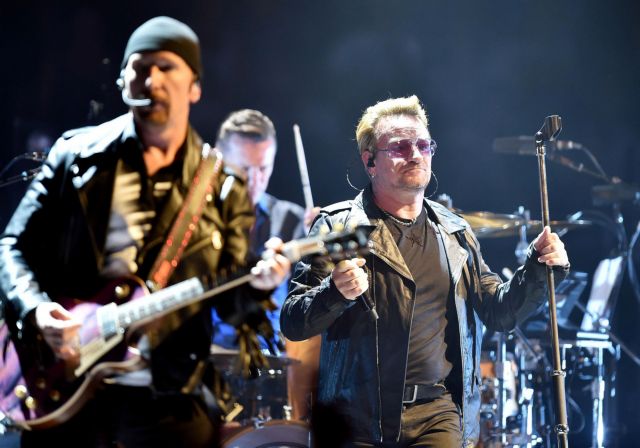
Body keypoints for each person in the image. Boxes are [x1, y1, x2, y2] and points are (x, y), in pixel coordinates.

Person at [0, 16, 289, 448]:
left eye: (167, 67)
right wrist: (36, 310)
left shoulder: (222, 187)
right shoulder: (73, 155)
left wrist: (260, 285)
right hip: (68, 392)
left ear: (194, 87)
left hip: (168, 402)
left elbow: (232, 306)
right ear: (122, 81)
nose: (152, 79)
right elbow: (12, 246)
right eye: (140, 67)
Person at [280, 95, 570, 447]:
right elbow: (293, 321)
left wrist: (538, 267)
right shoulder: (337, 227)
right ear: (370, 161)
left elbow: (499, 312)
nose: (415, 155)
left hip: (437, 414)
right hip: (356, 417)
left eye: (423, 145)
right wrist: (334, 292)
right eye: (400, 147)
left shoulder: (455, 232)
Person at [213, 109, 321, 421]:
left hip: (268, 372)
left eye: (264, 168)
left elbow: (309, 307)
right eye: (244, 169)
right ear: (218, 159)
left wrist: (321, 245)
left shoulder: (290, 220)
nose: (254, 181)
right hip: (204, 364)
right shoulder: (198, 220)